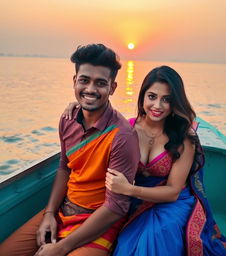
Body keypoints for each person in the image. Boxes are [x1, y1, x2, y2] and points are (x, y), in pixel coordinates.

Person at [64, 65, 226, 256]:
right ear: (143, 96)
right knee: (127, 246)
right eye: (152, 96)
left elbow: (173, 192)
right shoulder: (127, 129)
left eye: (166, 99)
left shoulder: (184, 137)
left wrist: (129, 189)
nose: (158, 106)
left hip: (171, 203)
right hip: (137, 203)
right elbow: (95, 122)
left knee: (154, 238)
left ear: (175, 102)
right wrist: (78, 107)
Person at [0, 44, 140, 256]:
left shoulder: (122, 136)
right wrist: (49, 213)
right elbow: (65, 167)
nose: (91, 89)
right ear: (75, 81)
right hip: (64, 210)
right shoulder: (67, 120)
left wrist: (61, 248)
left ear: (112, 88)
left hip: (99, 222)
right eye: (84, 80)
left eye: (101, 83)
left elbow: (116, 207)